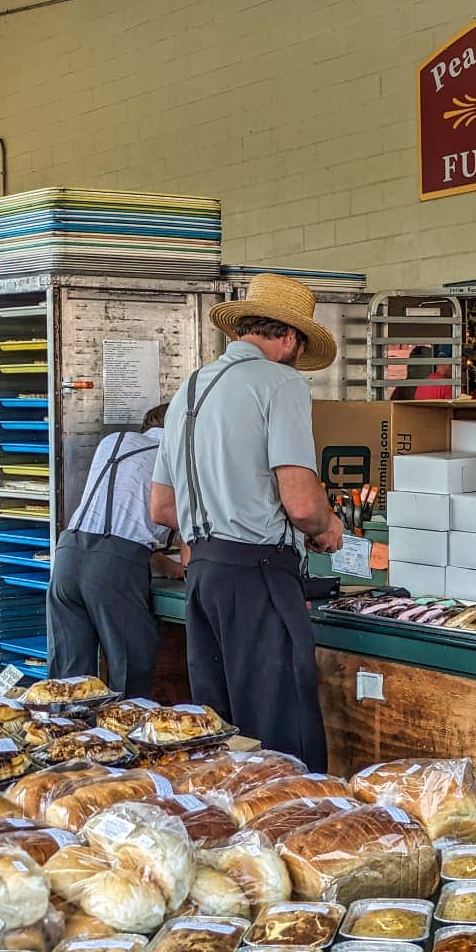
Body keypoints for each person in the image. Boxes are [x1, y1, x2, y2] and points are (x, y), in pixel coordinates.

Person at [150, 274, 343, 772]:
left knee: (223, 740)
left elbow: (162, 508)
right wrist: (326, 527)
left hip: (204, 578)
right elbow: (301, 503)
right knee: (282, 740)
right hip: (258, 575)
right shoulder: (281, 383)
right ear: (289, 338)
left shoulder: (187, 391)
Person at [47, 403, 177, 696]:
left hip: (67, 555)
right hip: (113, 569)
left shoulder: (113, 442)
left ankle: (66, 736)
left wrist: (169, 567)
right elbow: (165, 519)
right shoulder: (172, 455)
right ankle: (124, 736)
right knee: (131, 665)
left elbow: (124, 518)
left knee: (70, 681)